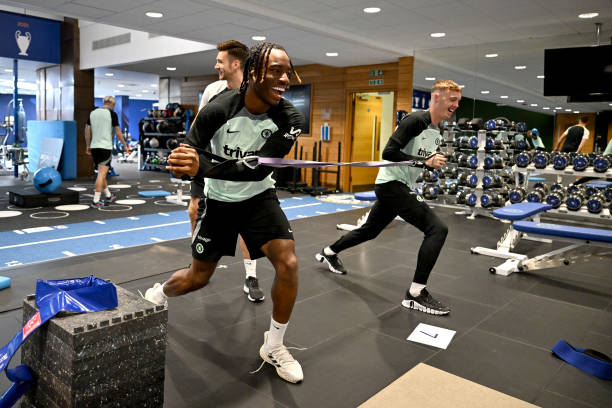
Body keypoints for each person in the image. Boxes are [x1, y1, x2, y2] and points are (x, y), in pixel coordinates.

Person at [144, 42, 306, 383]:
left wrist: (203, 166)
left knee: (288, 263)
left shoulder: (289, 118)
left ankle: (273, 345)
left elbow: (257, 171)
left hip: (259, 198)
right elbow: (188, 156)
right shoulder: (217, 110)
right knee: (196, 279)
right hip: (218, 203)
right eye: (276, 70)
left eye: (287, 70)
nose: (285, 78)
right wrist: (188, 171)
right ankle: (159, 294)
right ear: (253, 74)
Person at [315, 79, 462, 316]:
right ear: (436, 98)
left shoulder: (436, 132)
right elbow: (389, 152)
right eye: (452, 99)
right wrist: (423, 161)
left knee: (370, 230)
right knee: (437, 229)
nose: (455, 105)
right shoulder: (416, 120)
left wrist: (431, 162)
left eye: (458, 101)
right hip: (391, 185)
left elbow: (416, 157)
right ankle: (415, 294)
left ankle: (328, 252)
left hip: (398, 185)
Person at [188, 40, 264, 303]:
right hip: (211, 168)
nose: (215, 65)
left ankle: (251, 277)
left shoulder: (256, 94)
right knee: (193, 210)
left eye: (220, 61)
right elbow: (199, 127)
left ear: (236, 64)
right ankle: (197, 263)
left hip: (242, 173)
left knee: (246, 228)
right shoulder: (213, 90)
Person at [85, 96, 129, 208]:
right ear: (112, 104)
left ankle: (108, 195)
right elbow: (118, 133)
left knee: (101, 172)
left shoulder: (93, 113)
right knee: (101, 174)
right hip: (105, 147)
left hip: (94, 147)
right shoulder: (112, 114)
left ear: (103, 102)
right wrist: (125, 146)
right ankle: (96, 201)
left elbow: (87, 130)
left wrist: (88, 145)